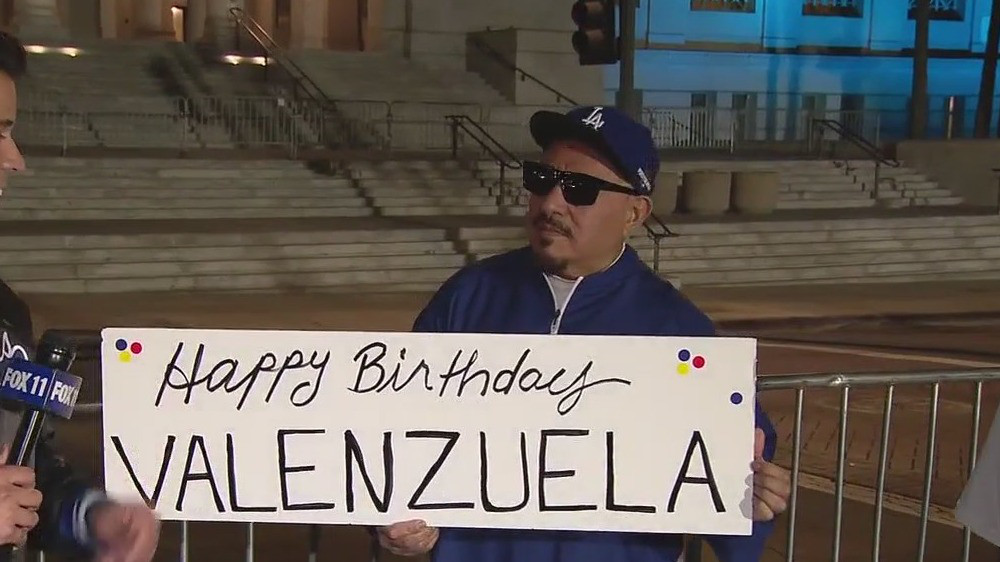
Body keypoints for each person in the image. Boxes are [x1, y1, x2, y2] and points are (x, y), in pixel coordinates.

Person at [375, 105, 791, 561]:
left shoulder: (677, 331)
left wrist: (752, 501)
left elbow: (731, 496)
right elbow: (397, 441)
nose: (551, 203)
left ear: (634, 213)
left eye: (580, 189)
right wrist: (394, 519)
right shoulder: (466, 297)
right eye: (541, 179)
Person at [0, 31, 160, 561]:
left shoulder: (6, 311)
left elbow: (27, 468)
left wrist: (91, 516)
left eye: (10, 132)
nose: (15, 160)